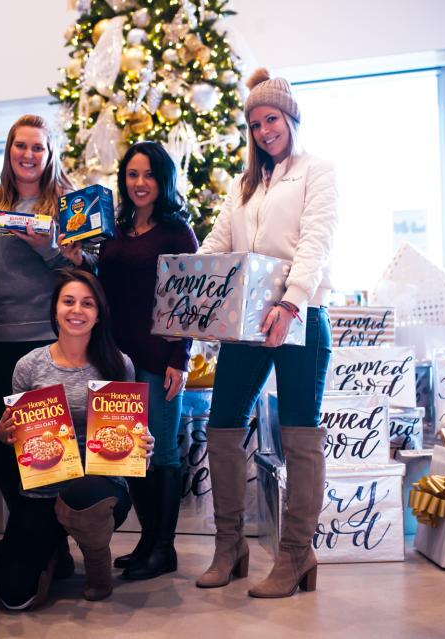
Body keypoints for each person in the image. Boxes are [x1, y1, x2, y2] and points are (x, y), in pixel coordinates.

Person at [195, 68, 338, 598]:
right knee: (223, 424)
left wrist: (291, 304)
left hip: (300, 316)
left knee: (300, 434)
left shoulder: (317, 172)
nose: (263, 131)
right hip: (245, 321)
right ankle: (229, 546)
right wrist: (190, 280)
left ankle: (296, 554)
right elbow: (217, 243)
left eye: (271, 119)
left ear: (290, 117)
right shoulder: (244, 185)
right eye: (255, 124)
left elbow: (315, 243)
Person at [70, 142, 199, 580]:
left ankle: (163, 548)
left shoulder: (177, 232)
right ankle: (148, 543)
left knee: (161, 452)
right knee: (132, 456)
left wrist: (180, 358)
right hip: (117, 361)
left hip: (159, 358)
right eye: (131, 175)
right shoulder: (117, 232)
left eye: (148, 175)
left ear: (162, 180)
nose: (139, 183)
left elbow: (190, 301)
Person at [0, 270, 154, 609]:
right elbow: (18, 431)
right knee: (12, 595)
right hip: (42, 486)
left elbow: (131, 428)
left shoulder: (117, 364)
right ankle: (53, 550)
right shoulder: (29, 366)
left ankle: (96, 559)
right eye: (68, 301)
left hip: (99, 491)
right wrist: (5, 433)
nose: (76, 310)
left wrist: (144, 442)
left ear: (98, 314)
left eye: (87, 303)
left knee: (83, 491)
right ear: (54, 310)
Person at [0, 114, 77, 513]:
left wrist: (45, 249)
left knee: (45, 443)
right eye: (21, 145)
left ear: (49, 154)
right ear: (9, 150)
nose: (28, 154)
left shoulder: (66, 204)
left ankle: (50, 548)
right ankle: (25, 531)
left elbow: (86, 275)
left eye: (37, 147)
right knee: (1, 442)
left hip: (44, 340)